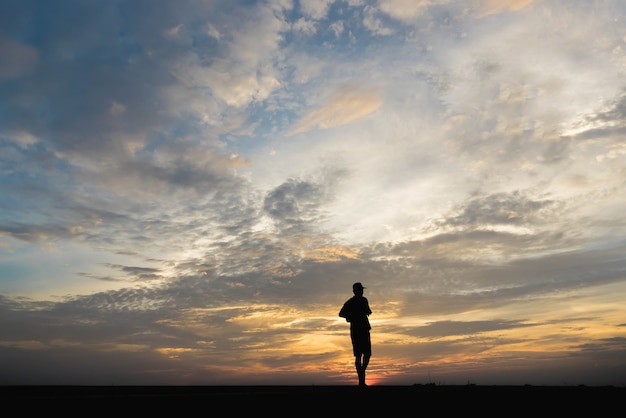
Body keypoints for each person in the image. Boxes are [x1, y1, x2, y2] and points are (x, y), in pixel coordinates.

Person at [339, 282, 372, 387]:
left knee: (367, 354)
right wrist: (351, 317)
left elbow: (368, 311)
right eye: (360, 290)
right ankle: (361, 381)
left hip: (364, 329)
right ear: (355, 291)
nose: (361, 292)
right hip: (357, 330)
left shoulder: (364, 300)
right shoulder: (350, 302)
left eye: (362, 290)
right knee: (358, 355)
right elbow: (341, 313)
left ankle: (361, 373)